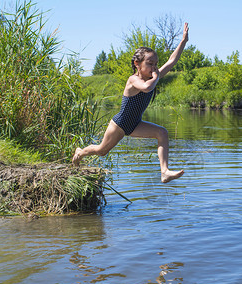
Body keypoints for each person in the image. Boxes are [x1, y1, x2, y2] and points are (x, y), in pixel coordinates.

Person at [72, 23, 189, 184]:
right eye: (150, 64)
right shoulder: (134, 80)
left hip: (135, 124)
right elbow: (147, 88)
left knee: (162, 133)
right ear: (137, 64)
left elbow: (171, 61)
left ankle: (164, 172)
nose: (154, 67)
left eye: (155, 64)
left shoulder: (151, 78)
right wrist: (156, 76)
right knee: (101, 150)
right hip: (119, 124)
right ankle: (80, 152)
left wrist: (183, 41)